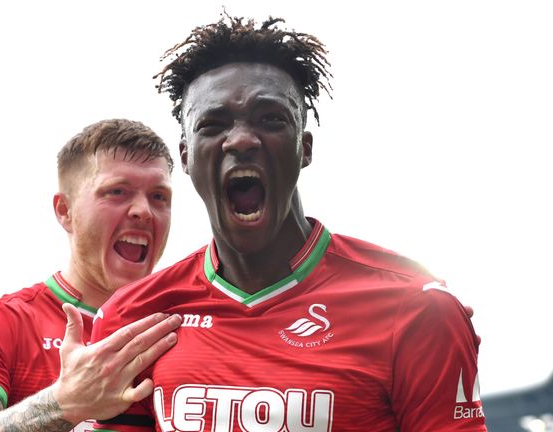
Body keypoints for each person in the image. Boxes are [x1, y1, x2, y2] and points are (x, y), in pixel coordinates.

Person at [91, 15, 487, 431]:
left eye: (271, 119)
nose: (241, 140)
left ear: (304, 148)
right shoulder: (133, 317)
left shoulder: (415, 306)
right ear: (187, 157)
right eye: (213, 125)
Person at [0, 119, 183, 432]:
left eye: (158, 196)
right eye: (117, 192)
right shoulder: (2, 323)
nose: (143, 211)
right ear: (64, 211)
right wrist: (66, 404)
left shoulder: (191, 322)